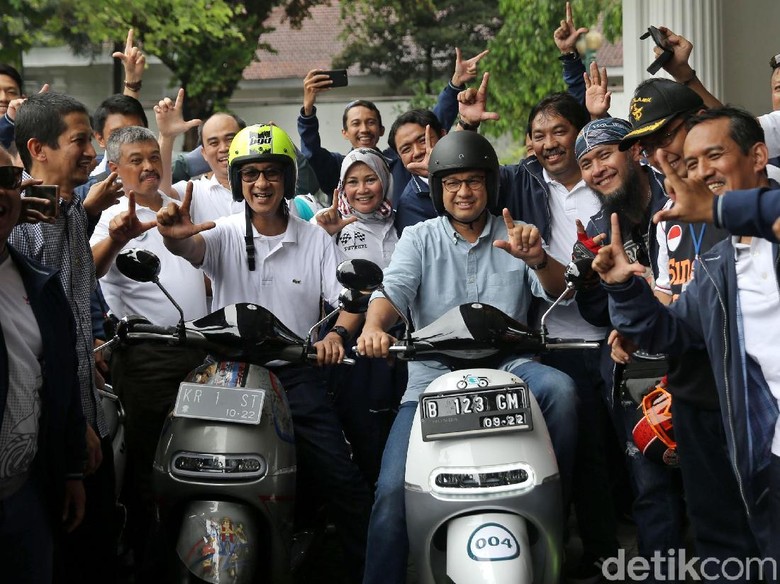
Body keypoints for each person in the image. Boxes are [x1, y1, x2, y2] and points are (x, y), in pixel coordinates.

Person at [356, 130, 578, 584]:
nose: (464, 192)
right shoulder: (419, 238)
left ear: (490, 185)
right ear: (438, 190)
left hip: (507, 368)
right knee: (392, 491)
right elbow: (393, 291)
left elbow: (557, 290)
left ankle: (554, 500)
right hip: (432, 379)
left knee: (561, 390)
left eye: (474, 181)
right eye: (452, 183)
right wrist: (375, 327)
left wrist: (537, 259)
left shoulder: (515, 233)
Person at [156, 123, 372, 582]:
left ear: (287, 179)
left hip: (293, 372)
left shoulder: (314, 238)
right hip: (225, 374)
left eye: (271, 173)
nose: (261, 184)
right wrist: (175, 235)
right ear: (238, 182)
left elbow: (348, 303)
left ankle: (362, 569)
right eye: (250, 174)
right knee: (183, 470)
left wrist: (335, 336)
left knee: (343, 479)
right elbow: (192, 248)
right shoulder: (224, 231)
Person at [592, 106, 779, 571]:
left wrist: (718, 210)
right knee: (726, 551)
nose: (701, 173)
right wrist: (623, 287)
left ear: (758, 155)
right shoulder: (718, 263)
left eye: (714, 156)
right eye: (691, 163)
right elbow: (672, 333)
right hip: (746, 437)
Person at [459, 71, 622, 574]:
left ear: (579, 132)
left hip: (610, 333)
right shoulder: (520, 179)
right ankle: (556, 550)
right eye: (539, 134)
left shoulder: (606, 179)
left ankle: (605, 552)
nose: (549, 143)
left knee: (612, 450)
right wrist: (464, 122)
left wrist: (599, 118)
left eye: (559, 132)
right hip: (548, 338)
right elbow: (466, 174)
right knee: (560, 451)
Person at [9, 91, 121, 583]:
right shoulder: (22, 225)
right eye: (79, 141)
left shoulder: (71, 212)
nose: (93, 153)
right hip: (49, 436)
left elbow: (75, 318)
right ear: (38, 148)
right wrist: (74, 430)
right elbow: (37, 351)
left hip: (81, 418)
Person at [573, 117, 690, 581]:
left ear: (636, 153)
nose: (597, 169)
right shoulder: (599, 226)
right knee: (650, 487)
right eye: (586, 163)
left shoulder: (681, 197)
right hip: (639, 375)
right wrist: (592, 277)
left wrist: (650, 292)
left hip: (699, 365)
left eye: (605, 154)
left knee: (713, 488)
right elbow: (598, 314)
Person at [90, 125, 210, 576]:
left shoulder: (180, 205)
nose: (147, 167)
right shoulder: (112, 218)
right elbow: (89, 270)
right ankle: (149, 564)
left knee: (202, 462)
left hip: (203, 351)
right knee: (152, 473)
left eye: (152, 158)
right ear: (115, 169)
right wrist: (117, 240)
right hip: (146, 357)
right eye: (135, 160)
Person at [0, 146, 86, 583]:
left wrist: (70, 469)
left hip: (26, 495)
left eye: (7, 179)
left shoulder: (39, 282)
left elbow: (60, 380)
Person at [313, 148, 402, 487]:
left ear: (385, 181)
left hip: (396, 337)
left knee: (392, 423)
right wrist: (326, 232)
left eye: (370, 179)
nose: (362, 189)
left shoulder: (403, 223)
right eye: (352, 181)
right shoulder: (328, 225)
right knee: (358, 427)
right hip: (347, 337)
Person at [298, 48, 486, 201]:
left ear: (381, 130)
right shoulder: (338, 167)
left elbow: (428, 128)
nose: (364, 129)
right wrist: (307, 109)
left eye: (370, 122)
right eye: (356, 123)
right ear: (345, 132)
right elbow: (312, 153)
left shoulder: (398, 161)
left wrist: (455, 85)